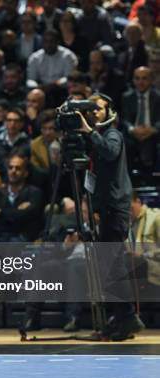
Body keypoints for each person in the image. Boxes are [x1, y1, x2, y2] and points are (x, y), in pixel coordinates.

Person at [75, 93, 145, 341]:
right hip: (106, 206)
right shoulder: (97, 136)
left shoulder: (111, 133)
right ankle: (121, 316)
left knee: (112, 263)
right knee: (107, 265)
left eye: (99, 109)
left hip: (116, 207)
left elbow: (110, 152)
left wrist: (88, 131)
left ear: (109, 112)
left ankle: (127, 316)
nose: (94, 112)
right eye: (91, 109)